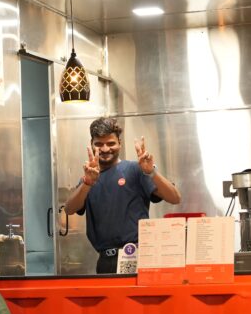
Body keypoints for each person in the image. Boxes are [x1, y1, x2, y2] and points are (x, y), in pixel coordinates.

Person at [64, 117, 181, 273]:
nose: (105, 149)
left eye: (110, 143)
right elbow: (69, 209)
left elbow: (175, 198)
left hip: (137, 255)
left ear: (119, 143)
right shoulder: (89, 178)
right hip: (105, 261)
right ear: (92, 144)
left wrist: (151, 172)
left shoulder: (135, 169)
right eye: (99, 144)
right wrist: (87, 183)